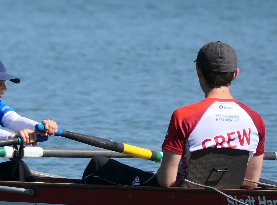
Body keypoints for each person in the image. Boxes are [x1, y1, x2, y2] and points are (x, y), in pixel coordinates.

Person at [83, 41, 265, 188]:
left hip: (182, 197)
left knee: (98, 165)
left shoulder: (185, 116)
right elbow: (250, 183)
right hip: (230, 197)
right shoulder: (255, 120)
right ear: (235, 74)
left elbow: (167, 181)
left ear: (198, 71)